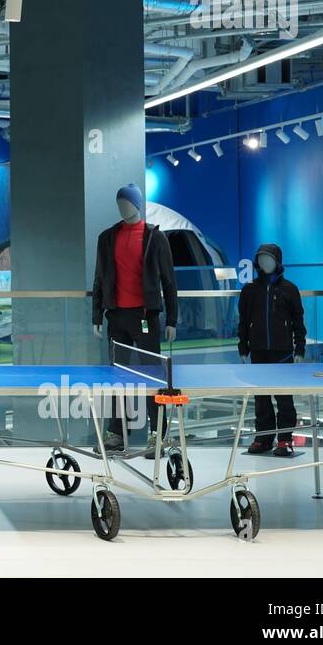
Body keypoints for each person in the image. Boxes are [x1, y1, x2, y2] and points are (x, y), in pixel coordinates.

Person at [90, 183, 178, 457]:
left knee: (153, 377)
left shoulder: (155, 238)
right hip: (117, 318)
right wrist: (97, 315)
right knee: (117, 378)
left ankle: (157, 434)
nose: (122, 207)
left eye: (126, 203)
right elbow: (100, 278)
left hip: (146, 317)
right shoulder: (107, 238)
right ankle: (116, 433)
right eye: (119, 203)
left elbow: (169, 281)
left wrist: (171, 319)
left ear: (136, 204)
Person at [237, 243, 306, 456]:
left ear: (277, 262)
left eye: (269, 259)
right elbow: (243, 320)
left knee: (284, 398)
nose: (265, 263)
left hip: (283, 351)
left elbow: (298, 321)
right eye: (261, 259)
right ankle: (263, 438)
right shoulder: (249, 290)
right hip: (258, 351)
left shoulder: (289, 289)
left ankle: (285, 439)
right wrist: (243, 346)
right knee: (261, 397)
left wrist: (299, 348)